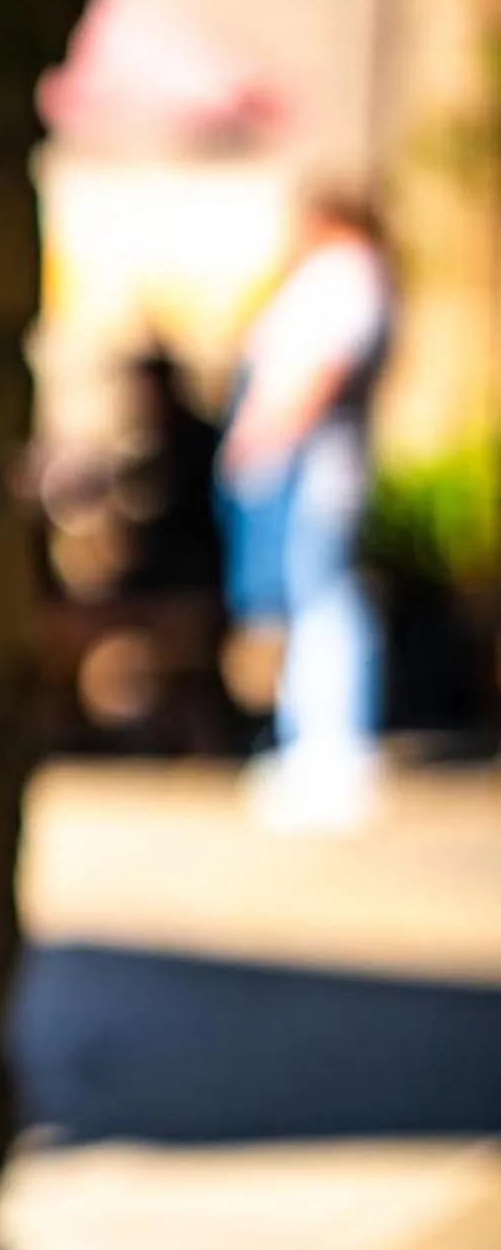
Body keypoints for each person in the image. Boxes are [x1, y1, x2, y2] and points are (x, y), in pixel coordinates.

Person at [219, 188, 394, 827]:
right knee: (307, 606)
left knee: (325, 606)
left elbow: (324, 366)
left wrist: (272, 431)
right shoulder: (340, 275)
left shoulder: (348, 275)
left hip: (312, 470)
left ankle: (333, 750)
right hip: (297, 463)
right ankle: (313, 748)